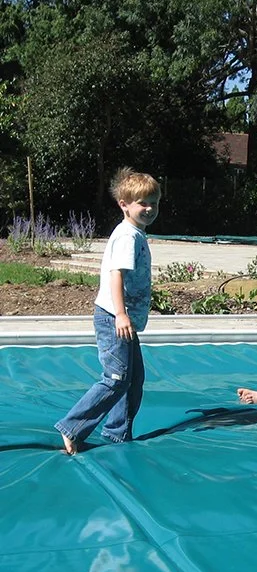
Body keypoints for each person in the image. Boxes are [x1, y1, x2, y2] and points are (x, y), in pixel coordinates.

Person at [55, 167, 161, 454]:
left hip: (123, 320)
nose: (149, 208)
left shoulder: (135, 233)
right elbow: (116, 275)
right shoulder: (128, 236)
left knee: (133, 379)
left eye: (154, 202)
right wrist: (122, 313)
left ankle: (117, 432)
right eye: (143, 203)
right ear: (124, 205)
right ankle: (72, 427)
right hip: (114, 318)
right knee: (116, 378)